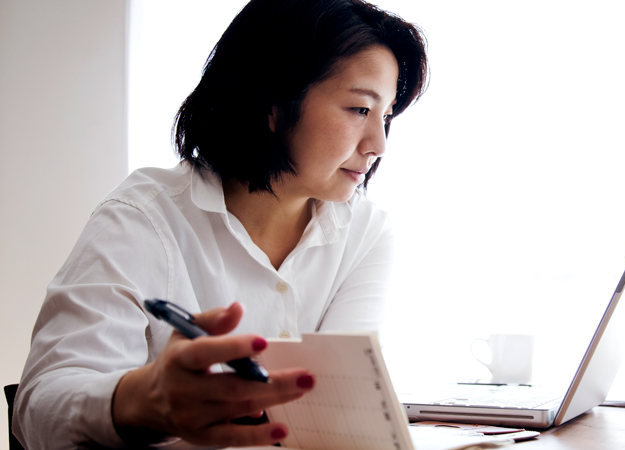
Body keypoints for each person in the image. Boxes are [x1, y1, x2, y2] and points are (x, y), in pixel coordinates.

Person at [12, 0, 428, 448]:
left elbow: (341, 415)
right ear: (272, 103)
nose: (379, 144)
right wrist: (145, 400)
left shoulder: (365, 233)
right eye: (360, 110)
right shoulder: (144, 220)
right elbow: (38, 408)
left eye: (385, 116)